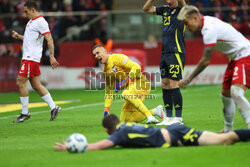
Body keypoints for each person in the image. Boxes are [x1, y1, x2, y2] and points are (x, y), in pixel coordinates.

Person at [177, 5, 250, 132]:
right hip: (235, 58)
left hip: (245, 55)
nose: (186, 27)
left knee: (236, 92)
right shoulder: (207, 21)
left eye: (186, 23)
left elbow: (205, 61)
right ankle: (228, 130)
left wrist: (188, 80)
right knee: (226, 96)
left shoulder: (209, 29)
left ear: (194, 18)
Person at [53, 114, 250, 151]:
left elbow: (104, 144)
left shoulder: (120, 134)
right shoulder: (126, 127)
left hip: (176, 136)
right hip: (173, 132)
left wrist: (79, 147)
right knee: (225, 140)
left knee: (226, 139)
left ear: (107, 129)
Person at [12, 1, 61, 123]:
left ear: (33, 10)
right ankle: (54, 107)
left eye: (26, 11)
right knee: (36, 85)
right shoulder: (31, 21)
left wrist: (51, 56)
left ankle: (25, 113)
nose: (25, 14)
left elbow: (49, 39)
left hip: (31, 58)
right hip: (29, 57)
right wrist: (19, 36)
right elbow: (30, 38)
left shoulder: (41, 22)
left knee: (20, 81)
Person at [92, 45, 166, 124]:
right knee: (125, 120)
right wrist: (106, 109)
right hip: (130, 89)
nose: (96, 56)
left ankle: (150, 117)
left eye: (98, 53)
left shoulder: (117, 58)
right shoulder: (105, 71)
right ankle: (155, 111)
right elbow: (109, 91)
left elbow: (137, 67)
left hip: (141, 83)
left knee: (126, 93)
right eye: (94, 55)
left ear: (105, 51)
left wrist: (126, 80)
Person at [143, 0, 187, 126]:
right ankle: (168, 117)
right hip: (165, 53)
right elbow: (146, 9)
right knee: (165, 83)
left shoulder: (182, 11)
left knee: (174, 83)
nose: (168, 1)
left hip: (176, 52)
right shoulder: (164, 10)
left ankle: (178, 118)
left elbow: (188, 10)